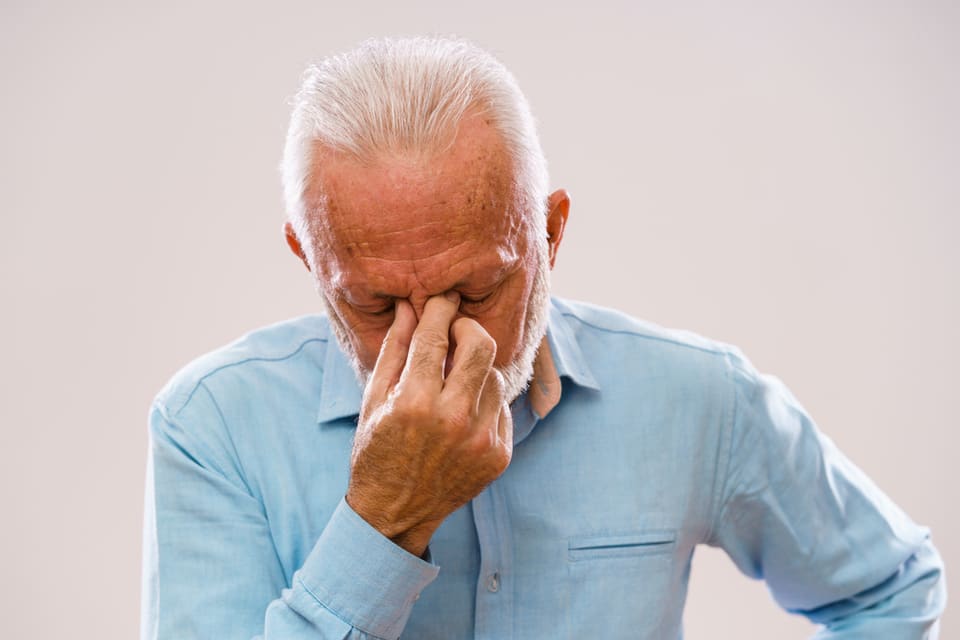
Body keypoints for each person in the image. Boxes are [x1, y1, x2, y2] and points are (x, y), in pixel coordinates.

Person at [141, 36, 946, 639]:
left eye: (478, 288)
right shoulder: (212, 426)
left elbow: (889, 587)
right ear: (309, 260)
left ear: (550, 234)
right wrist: (384, 519)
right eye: (377, 304)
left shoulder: (699, 397)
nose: (439, 340)